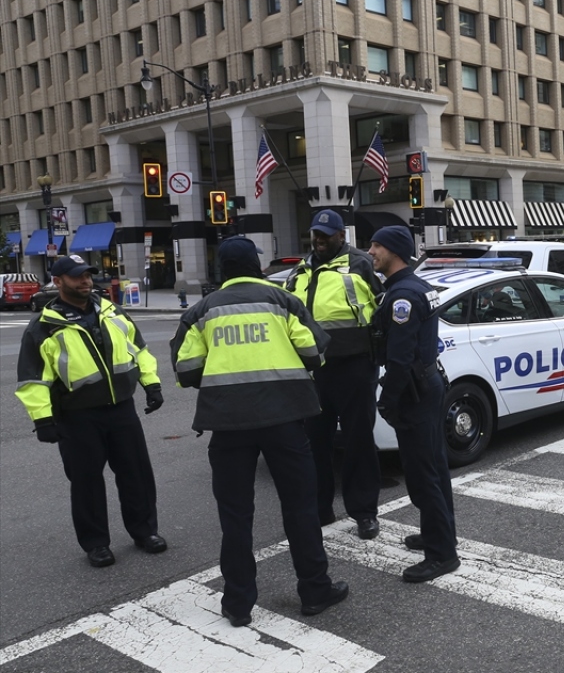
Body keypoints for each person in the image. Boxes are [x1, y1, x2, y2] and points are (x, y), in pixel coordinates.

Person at [170, 236, 348, 627]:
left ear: (222, 270)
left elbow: (186, 371)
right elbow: (314, 353)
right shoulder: (284, 301)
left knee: (236, 516)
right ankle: (315, 590)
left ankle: (237, 603)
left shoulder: (202, 310)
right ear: (258, 265)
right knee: (301, 508)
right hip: (285, 421)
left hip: (228, 425)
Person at [15, 254, 167, 568]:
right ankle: (96, 543)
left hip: (121, 409)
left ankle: (144, 532)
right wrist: (42, 419)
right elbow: (33, 379)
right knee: (86, 483)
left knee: (136, 475)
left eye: (87, 275)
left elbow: (139, 350)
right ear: (58, 282)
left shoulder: (112, 312)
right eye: (76, 277)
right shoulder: (43, 327)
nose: (85, 281)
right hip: (77, 416)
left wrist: (151, 384)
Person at [368, 226, 460, 583]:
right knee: (434, 468)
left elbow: (400, 358)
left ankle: (441, 555)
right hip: (428, 385)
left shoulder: (403, 295)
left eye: (377, 245)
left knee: (423, 475)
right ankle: (439, 534)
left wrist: (387, 402)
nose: (371, 250)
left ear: (395, 251)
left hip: (414, 392)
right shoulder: (413, 286)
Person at [286, 209, 383, 539]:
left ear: (342, 236)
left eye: (326, 234)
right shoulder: (300, 271)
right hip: (314, 372)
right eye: (316, 234)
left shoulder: (361, 264)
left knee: (358, 442)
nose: (319, 239)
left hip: (355, 367)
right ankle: (320, 509)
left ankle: (364, 513)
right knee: (315, 444)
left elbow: (384, 309)